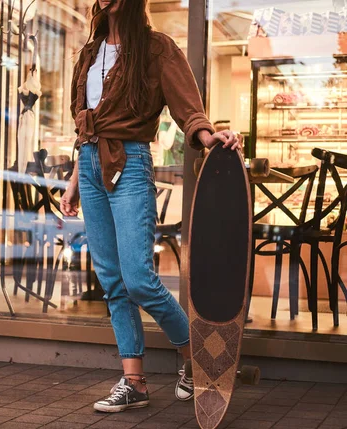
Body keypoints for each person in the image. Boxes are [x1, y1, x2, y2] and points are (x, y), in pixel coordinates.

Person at [60, 0, 242, 413]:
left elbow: (187, 108)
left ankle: (195, 358)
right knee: (112, 280)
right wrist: (73, 184)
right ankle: (134, 382)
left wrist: (207, 135)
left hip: (129, 162)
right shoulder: (89, 53)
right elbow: (84, 127)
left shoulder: (156, 48)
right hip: (90, 165)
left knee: (139, 277)